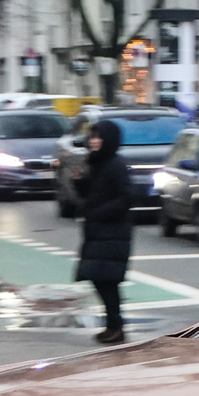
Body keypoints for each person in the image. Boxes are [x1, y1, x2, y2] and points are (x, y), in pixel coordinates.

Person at [73, 118, 137, 344]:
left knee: (106, 280)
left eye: (99, 137)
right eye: (92, 137)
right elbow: (88, 194)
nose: (94, 141)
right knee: (100, 279)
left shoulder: (115, 165)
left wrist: (99, 213)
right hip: (98, 232)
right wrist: (78, 181)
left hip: (113, 233)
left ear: (108, 139)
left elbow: (126, 197)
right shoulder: (96, 163)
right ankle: (113, 324)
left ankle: (116, 326)